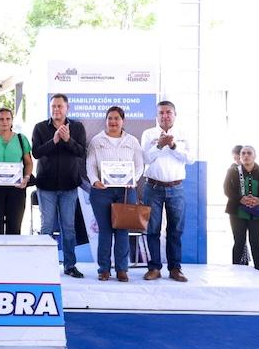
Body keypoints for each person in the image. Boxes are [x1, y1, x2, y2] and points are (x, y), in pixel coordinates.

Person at [86, 106, 144, 282]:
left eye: (116, 118)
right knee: (105, 230)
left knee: (122, 230)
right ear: (106, 121)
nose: (113, 121)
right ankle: (104, 269)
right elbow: (90, 164)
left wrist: (133, 179)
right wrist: (94, 180)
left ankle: (122, 269)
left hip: (126, 191)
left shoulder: (132, 141)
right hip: (101, 191)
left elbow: (139, 165)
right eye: (110, 118)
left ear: (122, 121)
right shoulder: (97, 141)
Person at [32, 93, 87, 278]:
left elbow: (81, 152)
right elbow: (36, 153)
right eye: (53, 106)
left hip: (69, 186)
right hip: (46, 185)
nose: (56, 109)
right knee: (46, 227)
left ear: (67, 108)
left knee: (68, 227)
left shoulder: (77, 127)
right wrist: (54, 140)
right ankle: (43, 265)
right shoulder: (40, 127)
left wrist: (68, 140)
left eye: (60, 106)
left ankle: (70, 265)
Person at [140, 100, 195, 282]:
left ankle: (175, 268)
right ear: (157, 116)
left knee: (175, 230)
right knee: (152, 230)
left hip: (176, 188)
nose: (165, 116)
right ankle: (154, 268)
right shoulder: (148, 134)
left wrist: (173, 146)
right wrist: (159, 145)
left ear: (175, 115)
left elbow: (190, 159)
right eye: (161, 113)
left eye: (168, 112)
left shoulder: (183, 134)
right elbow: (145, 158)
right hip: (153, 187)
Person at [0, 107, 32, 235]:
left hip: (16, 188)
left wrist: (26, 178)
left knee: (14, 228)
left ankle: (13, 250)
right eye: (1, 119)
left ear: (12, 121)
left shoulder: (21, 139)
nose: (5, 122)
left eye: (8, 119)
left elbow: (29, 163)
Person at [223, 145, 259, 271]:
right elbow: (227, 189)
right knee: (239, 242)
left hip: (257, 213)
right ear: (240, 156)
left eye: (249, 153)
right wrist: (240, 199)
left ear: (255, 156)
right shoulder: (232, 171)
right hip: (237, 212)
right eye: (243, 153)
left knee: (256, 242)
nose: (246, 155)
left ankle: (258, 271)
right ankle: (236, 271)